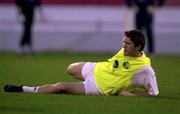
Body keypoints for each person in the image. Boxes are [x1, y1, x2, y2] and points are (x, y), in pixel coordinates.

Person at [4, 30, 159, 96]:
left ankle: (23, 89)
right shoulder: (126, 50)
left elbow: (154, 92)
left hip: (98, 87)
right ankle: (82, 83)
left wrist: (132, 95)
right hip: (98, 68)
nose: (124, 46)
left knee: (60, 86)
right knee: (70, 68)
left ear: (138, 47)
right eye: (123, 42)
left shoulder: (145, 69)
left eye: (128, 44)